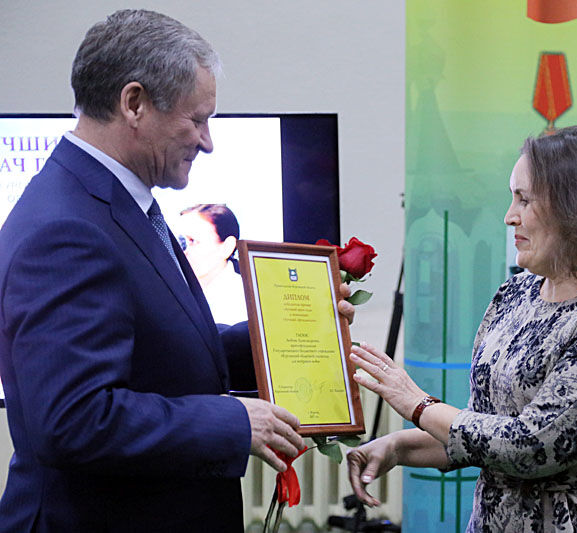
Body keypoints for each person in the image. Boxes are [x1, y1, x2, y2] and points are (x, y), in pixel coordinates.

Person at [0, 10, 353, 532]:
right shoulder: (67, 228)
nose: (207, 142)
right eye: (197, 120)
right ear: (134, 103)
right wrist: (234, 422)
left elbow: (160, 350)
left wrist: (285, 335)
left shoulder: (115, 201)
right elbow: (74, 419)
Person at [347, 126, 577, 532]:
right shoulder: (517, 293)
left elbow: (530, 445)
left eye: (524, 199)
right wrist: (396, 447)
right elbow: (483, 431)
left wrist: (417, 404)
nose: (509, 216)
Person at [178, 203, 248, 325]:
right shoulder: (172, 293)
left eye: (192, 241)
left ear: (227, 247)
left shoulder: (246, 301)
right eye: (179, 241)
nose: (182, 250)